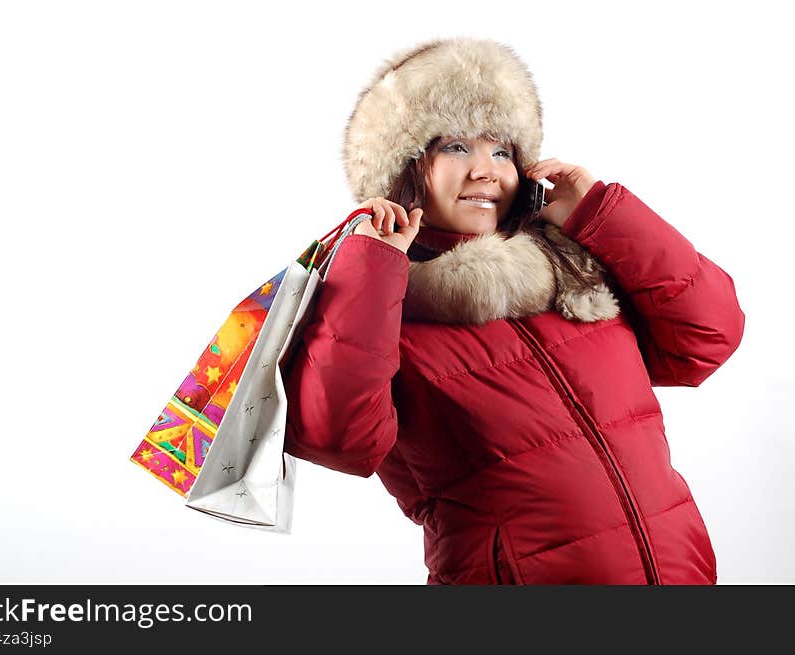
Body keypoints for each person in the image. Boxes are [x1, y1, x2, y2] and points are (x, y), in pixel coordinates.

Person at [281, 37, 745, 584]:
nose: (487, 171)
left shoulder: (575, 266)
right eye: (455, 146)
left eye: (501, 150)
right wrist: (369, 270)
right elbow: (337, 440)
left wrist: (603, 213)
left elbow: (706, 338)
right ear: (399, 167)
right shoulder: (380, 301)